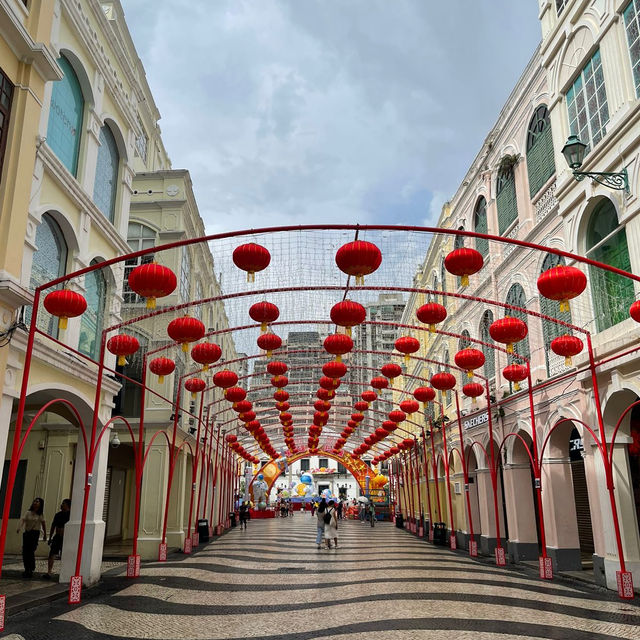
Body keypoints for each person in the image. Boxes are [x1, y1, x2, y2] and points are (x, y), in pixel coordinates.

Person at [17, 497, 46, 578]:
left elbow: (43, 524)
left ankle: (31, 568)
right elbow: (23, 520)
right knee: (25, 551)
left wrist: (45, 535)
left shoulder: (40, 514)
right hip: (27, 533)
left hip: (35, 534)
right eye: (35, 501)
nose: (35, 503)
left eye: (37, 501)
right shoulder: (28, 512)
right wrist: (19, 527)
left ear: (40, 504)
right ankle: (27, 568)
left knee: (31, 550)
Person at [43, 498, 70, 579]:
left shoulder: (71, 515)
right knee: (52, 554)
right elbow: (53, 526)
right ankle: (49, 571)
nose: (61, 505)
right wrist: (50, 537)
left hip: (66, 537)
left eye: (63, 504)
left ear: (68, 505)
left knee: (65, 555)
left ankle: (65, 572)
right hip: (57, 536)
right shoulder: (58, 515)